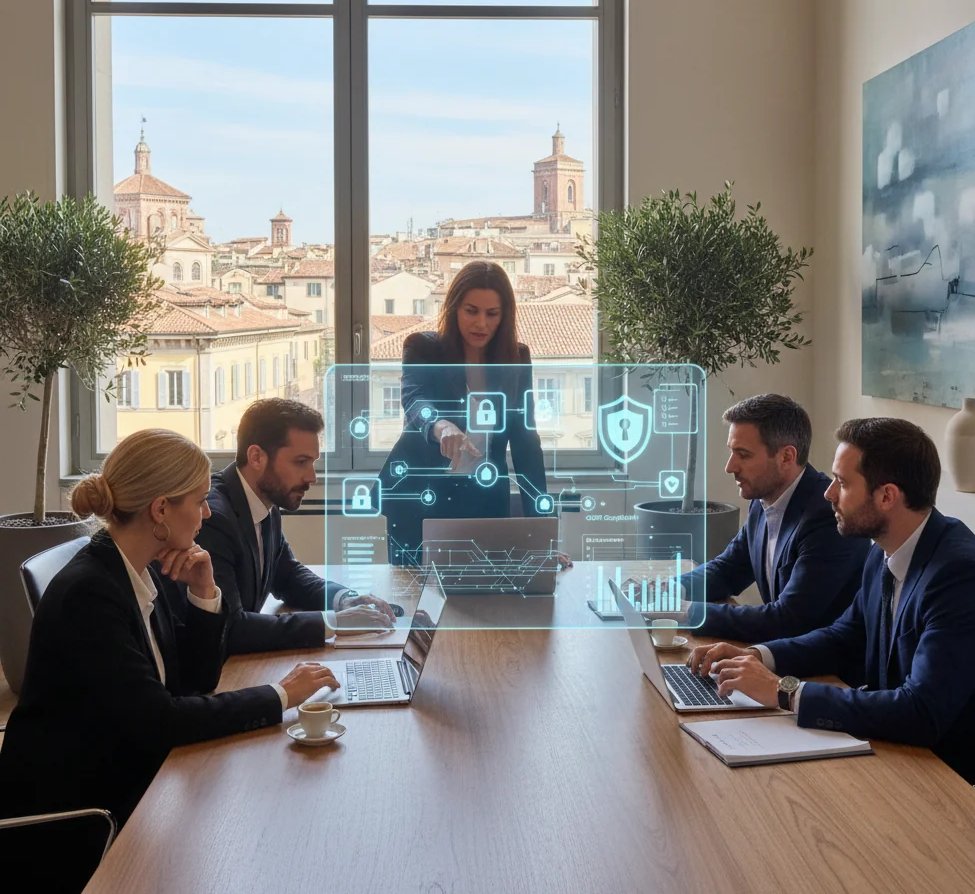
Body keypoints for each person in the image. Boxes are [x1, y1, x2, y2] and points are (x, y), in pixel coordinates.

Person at [0, 429, 340, 892]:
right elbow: (163, 720)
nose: (207, 512)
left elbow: (194, 681)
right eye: (199, 501)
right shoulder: (91, 594)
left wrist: (204, 592)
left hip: (135, 772)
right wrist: (281, 694)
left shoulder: (140, 570)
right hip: (81, 812)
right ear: (160, 510)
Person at [689, 417, 975, 823]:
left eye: (842, 483)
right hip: (902, 761)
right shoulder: (886, 550)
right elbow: (842, 637)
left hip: (965, 793)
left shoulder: (962, 578)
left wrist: (783, 692)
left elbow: (921, 712)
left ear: (886, 496)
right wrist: (760, 657)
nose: (828, 493)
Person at [629, 395, 868, 642]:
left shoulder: (827, 517)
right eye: (732, 452)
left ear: (786, 457)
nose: (730, 466)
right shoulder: (763, 497)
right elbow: (729, 570)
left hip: (823, 670)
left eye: (743, 455)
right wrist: (666, 590)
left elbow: (787, 620)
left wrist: (682, 610)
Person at [379, 261, 564, 567]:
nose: (481, 323)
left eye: (492, 314)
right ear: (454, 308)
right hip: (418, 493)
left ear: (504, 315)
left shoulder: (517, 358)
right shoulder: (423, 348)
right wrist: (441, 426)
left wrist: (543, 537)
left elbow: (526, 446)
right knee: (415, 599)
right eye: (471, 311)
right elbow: (414, 400)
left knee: (483, 599)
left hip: (484, 495)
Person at [199, 399, 396, 655]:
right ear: (256, 457)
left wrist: (344, 600)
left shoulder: (265, 500)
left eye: (313, 462)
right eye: (301, 462)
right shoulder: (215, 518)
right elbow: (232, 628)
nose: (312, 477)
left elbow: (288, 576)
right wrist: (332, 623)